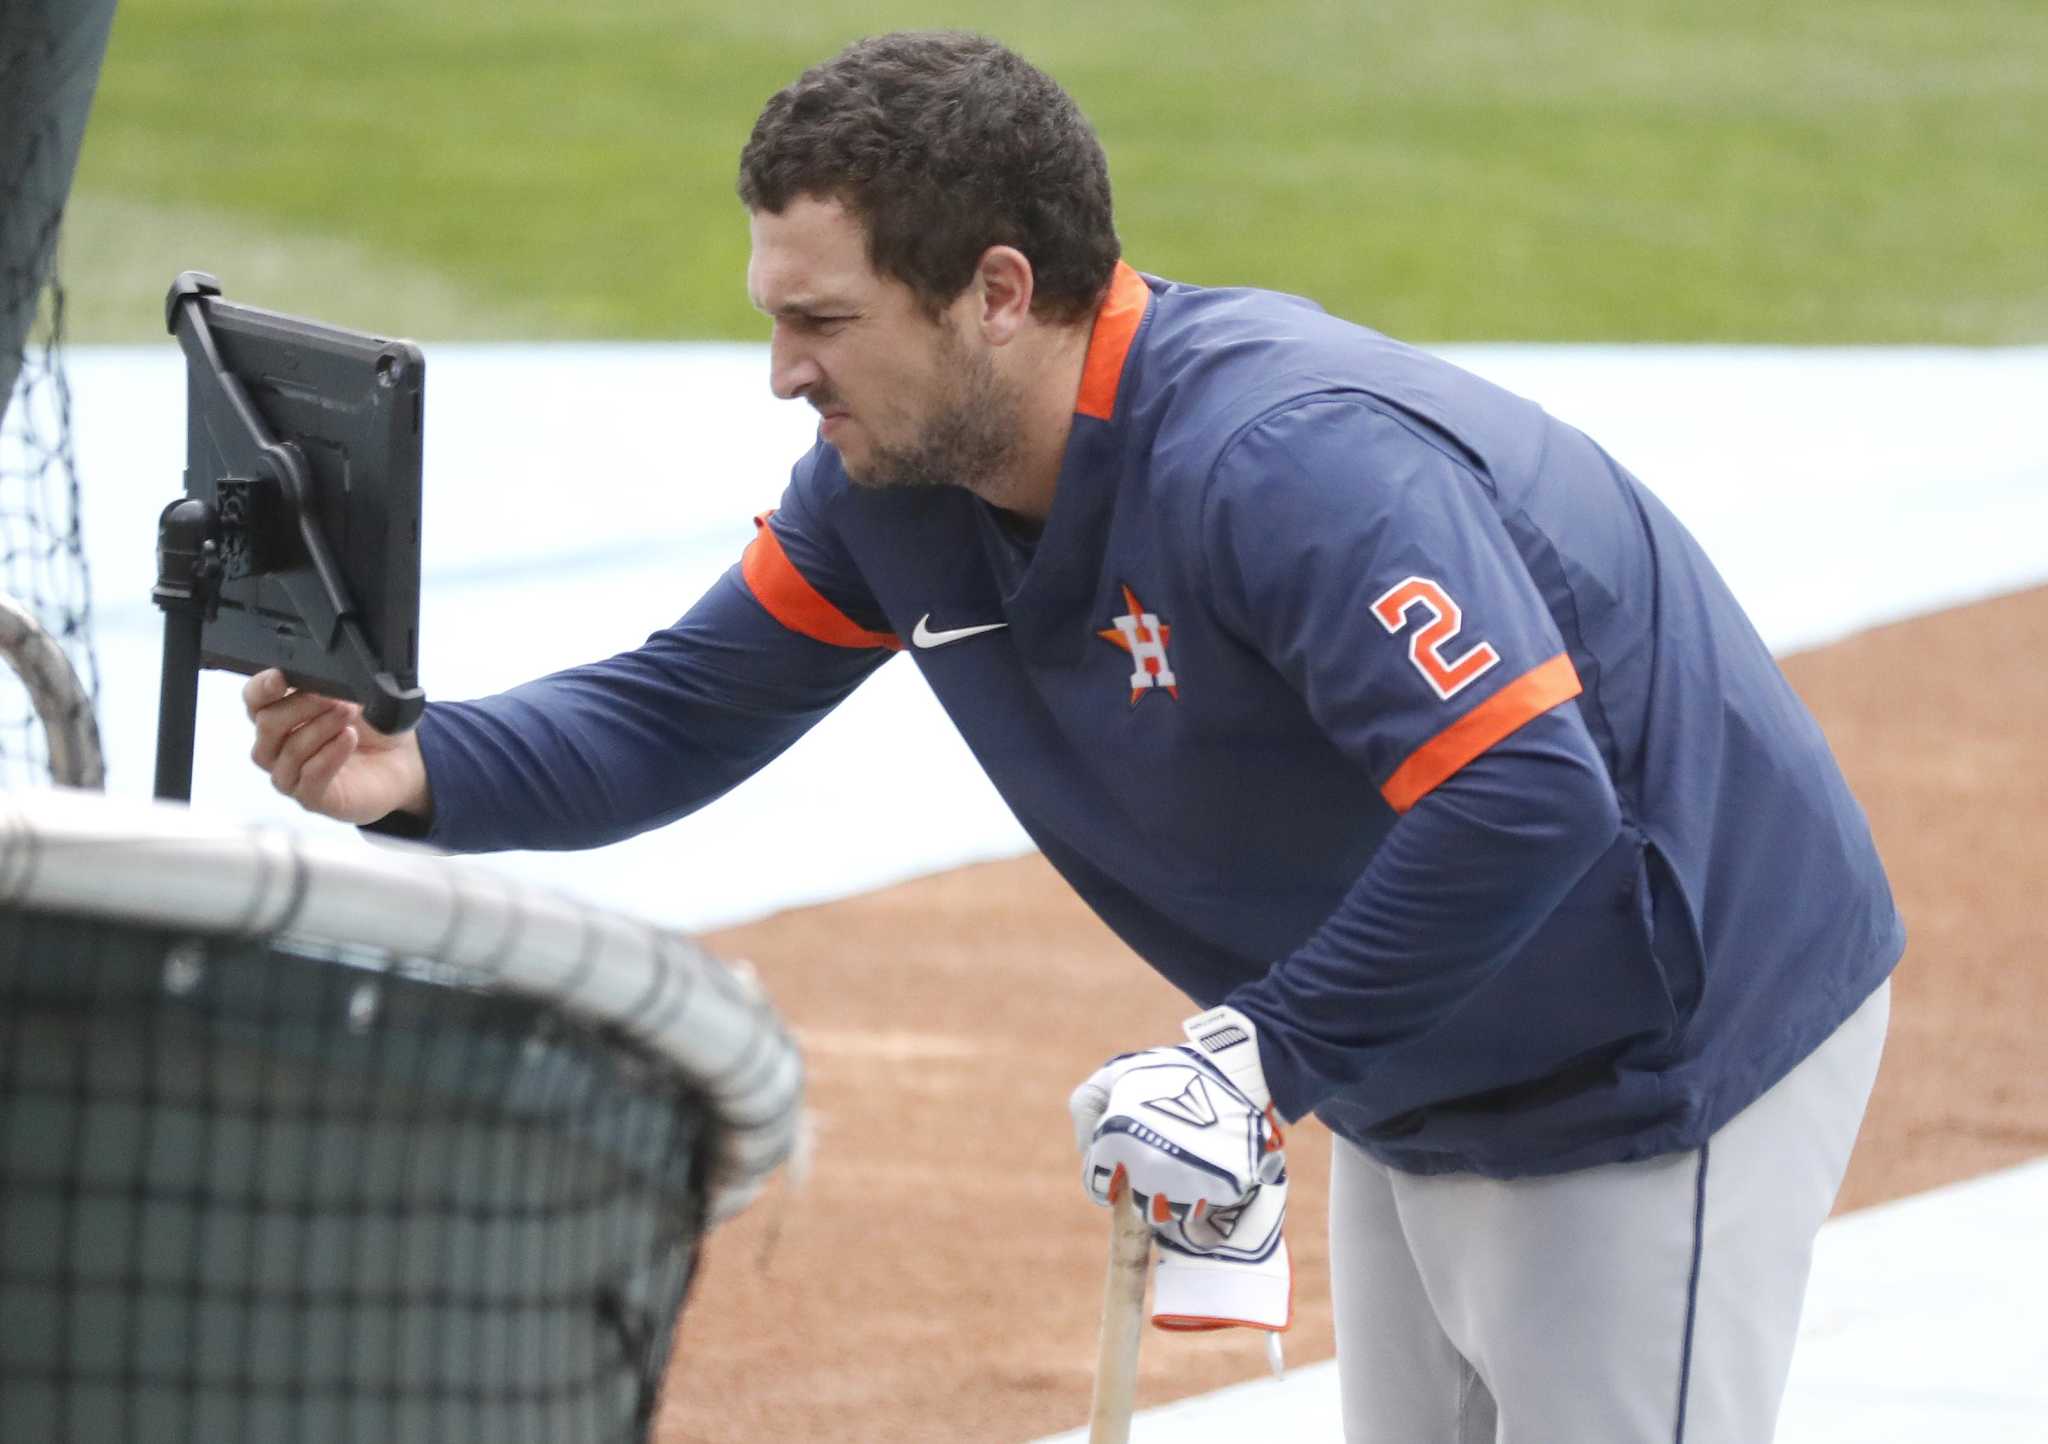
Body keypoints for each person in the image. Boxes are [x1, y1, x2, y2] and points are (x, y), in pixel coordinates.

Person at [244, 30, 1902, 1441]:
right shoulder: (897, 493)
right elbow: (681, 710)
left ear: (997, 294)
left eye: (821, 322)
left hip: (1659, 1032)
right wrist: (418, 767)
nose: (780, 373)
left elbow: (1530, 796)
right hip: (1419, 1044)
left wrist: (1254, 1056)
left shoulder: (1286, 462)